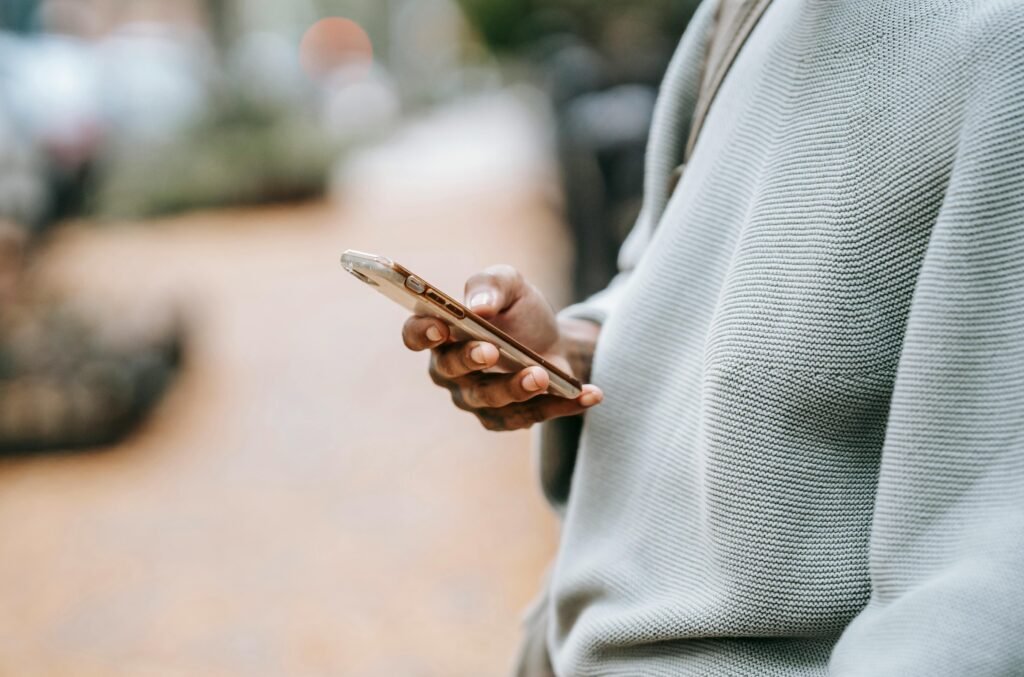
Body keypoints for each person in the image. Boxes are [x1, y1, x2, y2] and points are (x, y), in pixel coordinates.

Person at [402, 0, 1024, 674]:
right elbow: (678, 276)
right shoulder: (740, 11)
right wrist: (572, 349)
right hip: (573, 644)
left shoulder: (1000, 44)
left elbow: (987, 565)